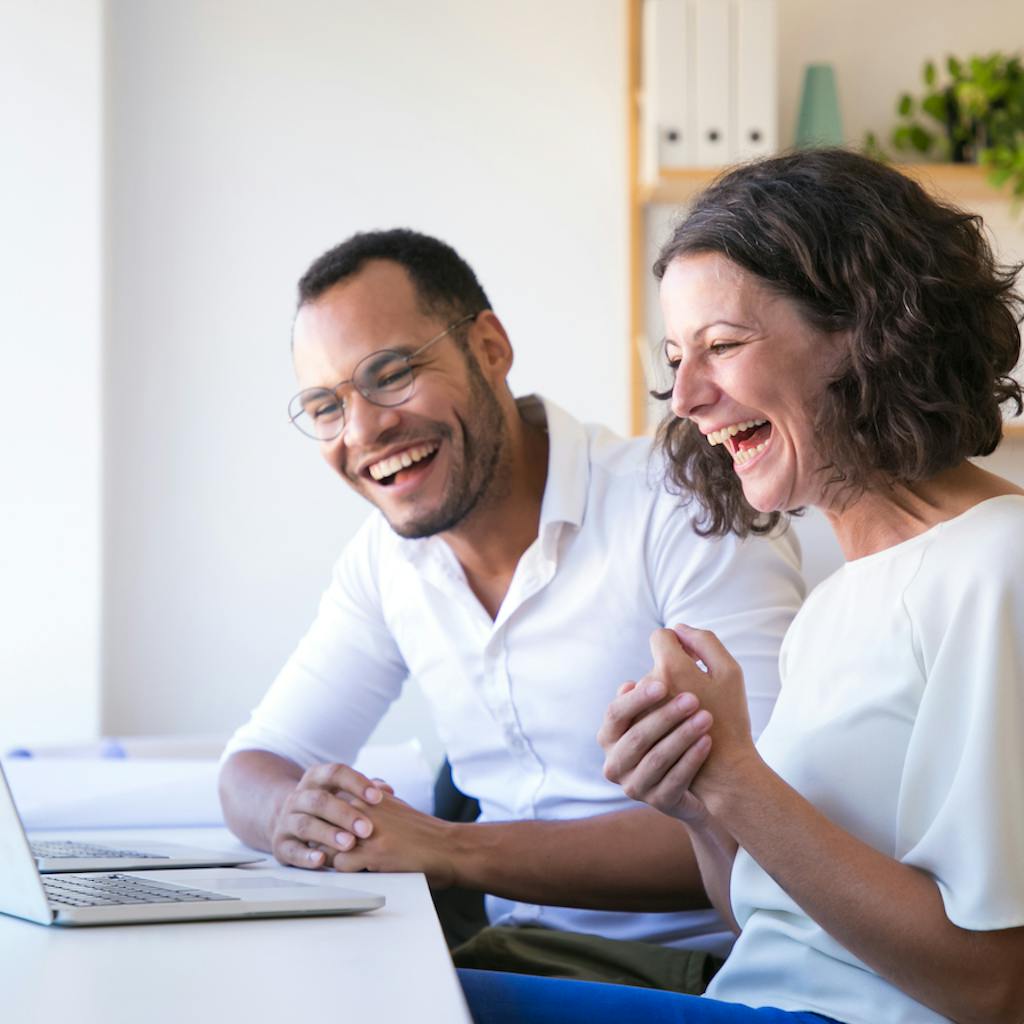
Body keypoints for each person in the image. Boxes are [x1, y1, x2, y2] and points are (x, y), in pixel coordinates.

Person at [459, 150, 1024, 1023]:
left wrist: (737, 782)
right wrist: (699, 803)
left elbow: (994, 987)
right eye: (676, 358)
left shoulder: (997, 566)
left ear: (868, 330)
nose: (685, 396)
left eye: (721, 346)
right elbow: (765, 928)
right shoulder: (835, 604)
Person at [218, 228, 804, 989]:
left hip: (696, 973)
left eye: (391, 374)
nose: (363, 430)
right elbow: (254, 765)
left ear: (490, 347)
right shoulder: (385, 559)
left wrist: (449, 850)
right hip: (511, 957)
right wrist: (298, 817)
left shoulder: (681, 502)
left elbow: (771, 820)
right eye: (326, 406)